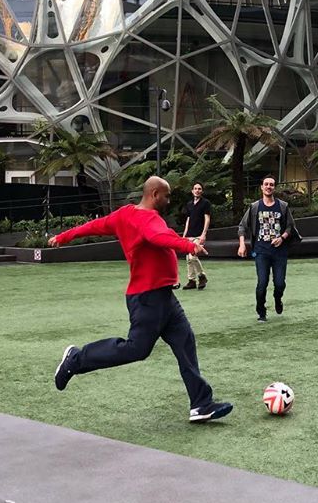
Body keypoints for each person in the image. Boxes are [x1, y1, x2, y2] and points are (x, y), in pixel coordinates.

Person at [49, 176, 233, 423]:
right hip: (148, 297)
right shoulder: (147, 220)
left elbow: (95, 226)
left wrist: (64, 237)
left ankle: (201, 404)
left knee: (185, 341)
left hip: (164, 296)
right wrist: (189, 246)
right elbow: (159, 238)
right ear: (155, 194)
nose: (168, 201)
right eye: (167, 196)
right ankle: (77, 358)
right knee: (136, 349)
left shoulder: (125, 214)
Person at [238, 175, 297, 322]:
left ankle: (278, 299)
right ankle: (261, 312)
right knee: (262, 283)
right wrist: (242, 244)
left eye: (271, 184)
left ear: (274, 188)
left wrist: (282, 237)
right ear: (262, 187)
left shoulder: (283, 206)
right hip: (261, 250)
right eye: (266, 184)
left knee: (279, 283)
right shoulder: (254, 207)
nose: (269, 187)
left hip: (279, 251)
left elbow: (290, 226)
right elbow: (242, 226)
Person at [182, 181, 210, 290]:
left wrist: (204, 234)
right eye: (195, 188)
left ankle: (202, 276)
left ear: (202, 191)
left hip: (199, 234)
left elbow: (207, 219)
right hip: (189, 234)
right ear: (192, 191)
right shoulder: (189, 204)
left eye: (199, 189)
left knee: (192, 256)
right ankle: (191, 281)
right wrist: (184, 235)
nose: (197, 190)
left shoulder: (205, 203)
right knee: (188, 259)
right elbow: (188, 220)